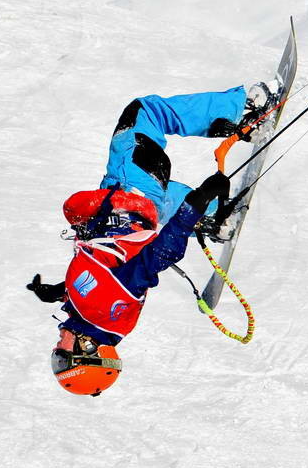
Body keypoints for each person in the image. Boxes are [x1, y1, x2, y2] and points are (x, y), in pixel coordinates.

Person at [27, 80, 281, 396]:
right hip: (130, 192)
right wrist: (197, 200)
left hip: (143, 209)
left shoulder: (98, 318)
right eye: (62, 358)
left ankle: (215, 216)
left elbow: (103, 277)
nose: (56, 350)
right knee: (144, 112)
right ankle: (244, 108)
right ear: (88, 351)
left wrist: (61, 291)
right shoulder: (103, 308)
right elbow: (162, 254)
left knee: (161, 198)